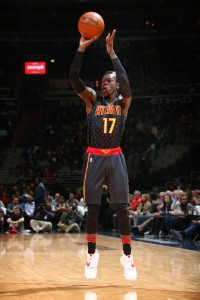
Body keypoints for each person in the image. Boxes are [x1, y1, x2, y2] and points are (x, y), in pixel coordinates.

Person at [69, 29, 137, 281]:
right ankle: (92, 254)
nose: (103, 84)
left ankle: (127, 255)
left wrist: (111, 53)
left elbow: (127, 83)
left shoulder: (124, 103)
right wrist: (81, 48)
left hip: (116, 157)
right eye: (102, 81)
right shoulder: (92, 101)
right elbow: (74, 77)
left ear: (116, 84)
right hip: (94, 157)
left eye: (108, 81)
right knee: (93, 209)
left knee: (121, 208)